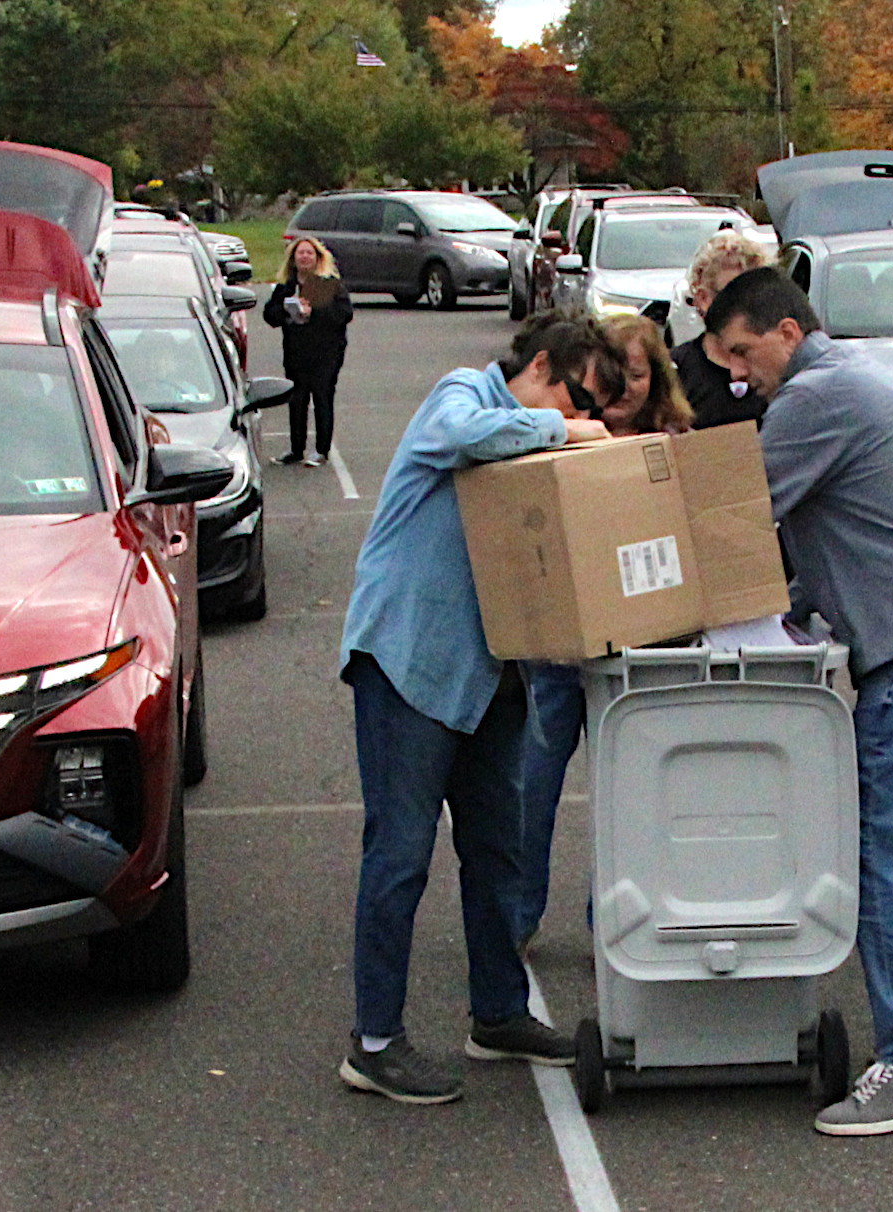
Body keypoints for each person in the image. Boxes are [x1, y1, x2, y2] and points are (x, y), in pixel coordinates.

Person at [702, 267, 893, 1137]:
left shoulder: (816, 398)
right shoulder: (856, 382)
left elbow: (731, 515)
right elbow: (837, 530)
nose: (736, 373)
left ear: (788, 334)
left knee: (887, 856)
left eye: (742, 351)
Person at [336, 313, 615, 1105]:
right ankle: (375, 1042)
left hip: (491, 670)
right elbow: (465, 435)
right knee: (400, 854)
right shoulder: (464, 396)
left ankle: (498, 1012)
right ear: (541, 366)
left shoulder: (532, 432)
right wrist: (563, 429)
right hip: (410, 664)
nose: (576, 416)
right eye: (575, 395)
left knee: (499, 850)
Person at [512, 313, 687, 951]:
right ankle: (516, 913)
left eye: (638, 375)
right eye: (611, 378)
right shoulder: (556, 433)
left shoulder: (672, 440)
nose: (624, 391)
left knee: (628, 793)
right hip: (561, 647)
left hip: (640, 650)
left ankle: (609, 919)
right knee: (534, 786)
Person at [262, 237, 352, 467]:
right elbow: (269, 315)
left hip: (326, 352)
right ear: (293, 259)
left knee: (322, 397)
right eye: (300, 253)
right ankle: (296, 449)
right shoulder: (286, 286)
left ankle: (322, 450)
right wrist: (286, 310)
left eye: (309, 253)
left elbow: (344, 314)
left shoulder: (329, 283)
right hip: (296, 352)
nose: (304, 257)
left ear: (318, 257)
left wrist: (314, 313)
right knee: (296, 399)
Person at [671, 229, 773, 429]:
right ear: (703, 299)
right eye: (732, 295)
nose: (745, 306)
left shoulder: (777, 369)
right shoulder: (675, 372)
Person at [598, 313, 693, 437]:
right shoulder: (566, 434)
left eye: (636, 376)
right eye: (610, 373)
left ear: (655, 380)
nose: (623, 387)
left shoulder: (679, 437)